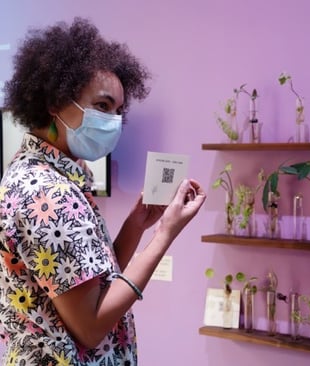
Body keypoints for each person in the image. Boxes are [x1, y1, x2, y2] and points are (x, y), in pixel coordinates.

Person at [0, 18, 206, 365]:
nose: (113, 121)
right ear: (55, 101)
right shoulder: (48, 194)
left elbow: (92, 285)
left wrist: (136, 225)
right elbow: (91, 326)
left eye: (119, 111)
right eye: (102, 106)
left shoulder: (45, 175)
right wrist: (166, 233)